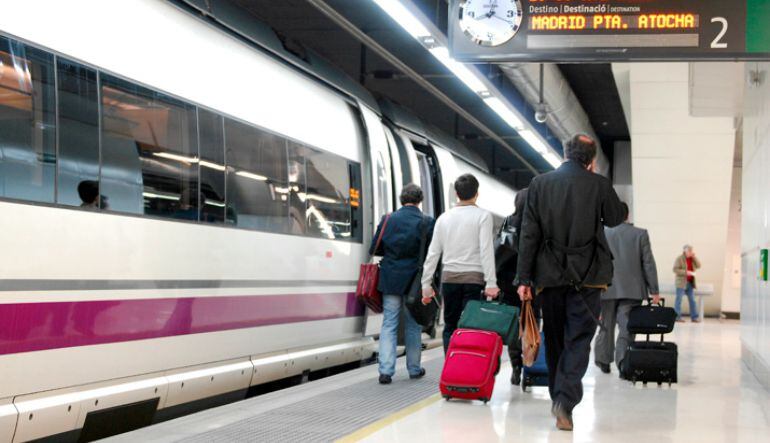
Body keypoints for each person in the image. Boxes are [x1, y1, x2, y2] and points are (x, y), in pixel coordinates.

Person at [516, 134, 627, 431]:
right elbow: (616, 218)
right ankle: (565, 401)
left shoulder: (540, 184)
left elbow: (529, 234)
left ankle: (558, 396)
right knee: (578, 339)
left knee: (553, 340)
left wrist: (523, 278)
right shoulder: (599, 184)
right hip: (588, 278)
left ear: (566, 153)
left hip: (548, 277)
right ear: (591, 160)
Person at [421, 173, 499, 351]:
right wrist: (491, 283)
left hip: (449, 281)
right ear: (477, 193)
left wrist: (426, 284)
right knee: (471, 326)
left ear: (456, 193)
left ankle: (451, 367)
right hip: (474, 280)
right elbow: (486, 250)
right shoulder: (483, 216)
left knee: (450, 326)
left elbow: (433, 254)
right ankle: (466, 368)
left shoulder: (443, 218)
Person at [370, 184, 435, 385]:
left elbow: (375, 247)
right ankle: (414, 369)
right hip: (414, 280)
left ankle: (386, 371)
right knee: (413, 324)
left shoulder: (388, 219)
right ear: (420, 200)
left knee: (389, 322)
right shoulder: (427, 222)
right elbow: (431, 254)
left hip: (390, 278)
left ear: (401, 199)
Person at [594, 203, 660, 376]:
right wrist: (654, 290)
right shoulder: (640, 234)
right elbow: (648, 263)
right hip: (632, 289)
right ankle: (623, 362)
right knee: (627, 327)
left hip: (605, 288)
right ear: (627, 215)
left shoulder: (601, 233)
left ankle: (603, 360)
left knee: (605, 325)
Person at [496, 188, 530, 385]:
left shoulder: (509, 221)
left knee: (513, 324)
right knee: (530, 324)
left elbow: (500, 251)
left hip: (509, 282)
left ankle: (516, 365)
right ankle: (529, 363)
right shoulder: (538, 222)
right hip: (530, 284)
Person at [673, 245, 701, 323]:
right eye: (689, 251)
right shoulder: (679, 258)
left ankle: (694, 317)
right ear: (685, 251)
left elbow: (699, 265)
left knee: (692, 300)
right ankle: (677, 317)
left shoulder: (692, 259)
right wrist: (686, 272)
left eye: (691, 251)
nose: (690, 252)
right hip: (681, 283)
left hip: (690, 283)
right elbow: (675, 269)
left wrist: (694, 257)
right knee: (679, 300)